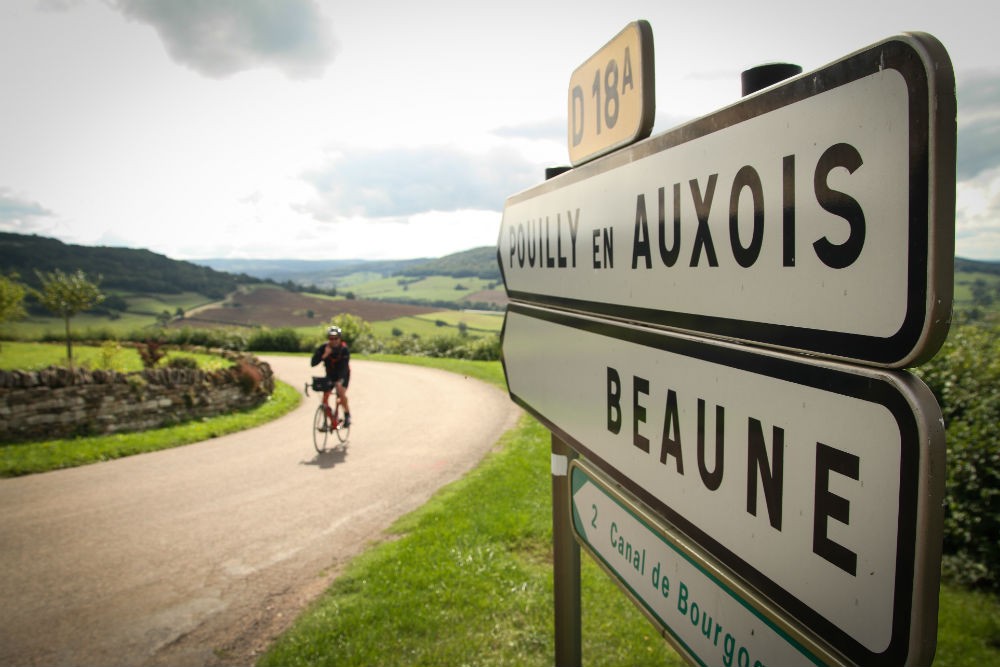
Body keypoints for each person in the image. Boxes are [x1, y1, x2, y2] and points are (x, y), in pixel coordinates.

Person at [311, 325, 351, 427]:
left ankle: (347, 415)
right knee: (324, 399)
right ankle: (331, 420)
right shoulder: (324, 348)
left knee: (340, 392)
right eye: (331, 338)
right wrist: (324, 355)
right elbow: (313, 363)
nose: (333, 341)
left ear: (340, 338)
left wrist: (340, 381)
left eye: (336, 338)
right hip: (330, 376)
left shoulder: (344, 349)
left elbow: (344, 367)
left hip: (343, 375)